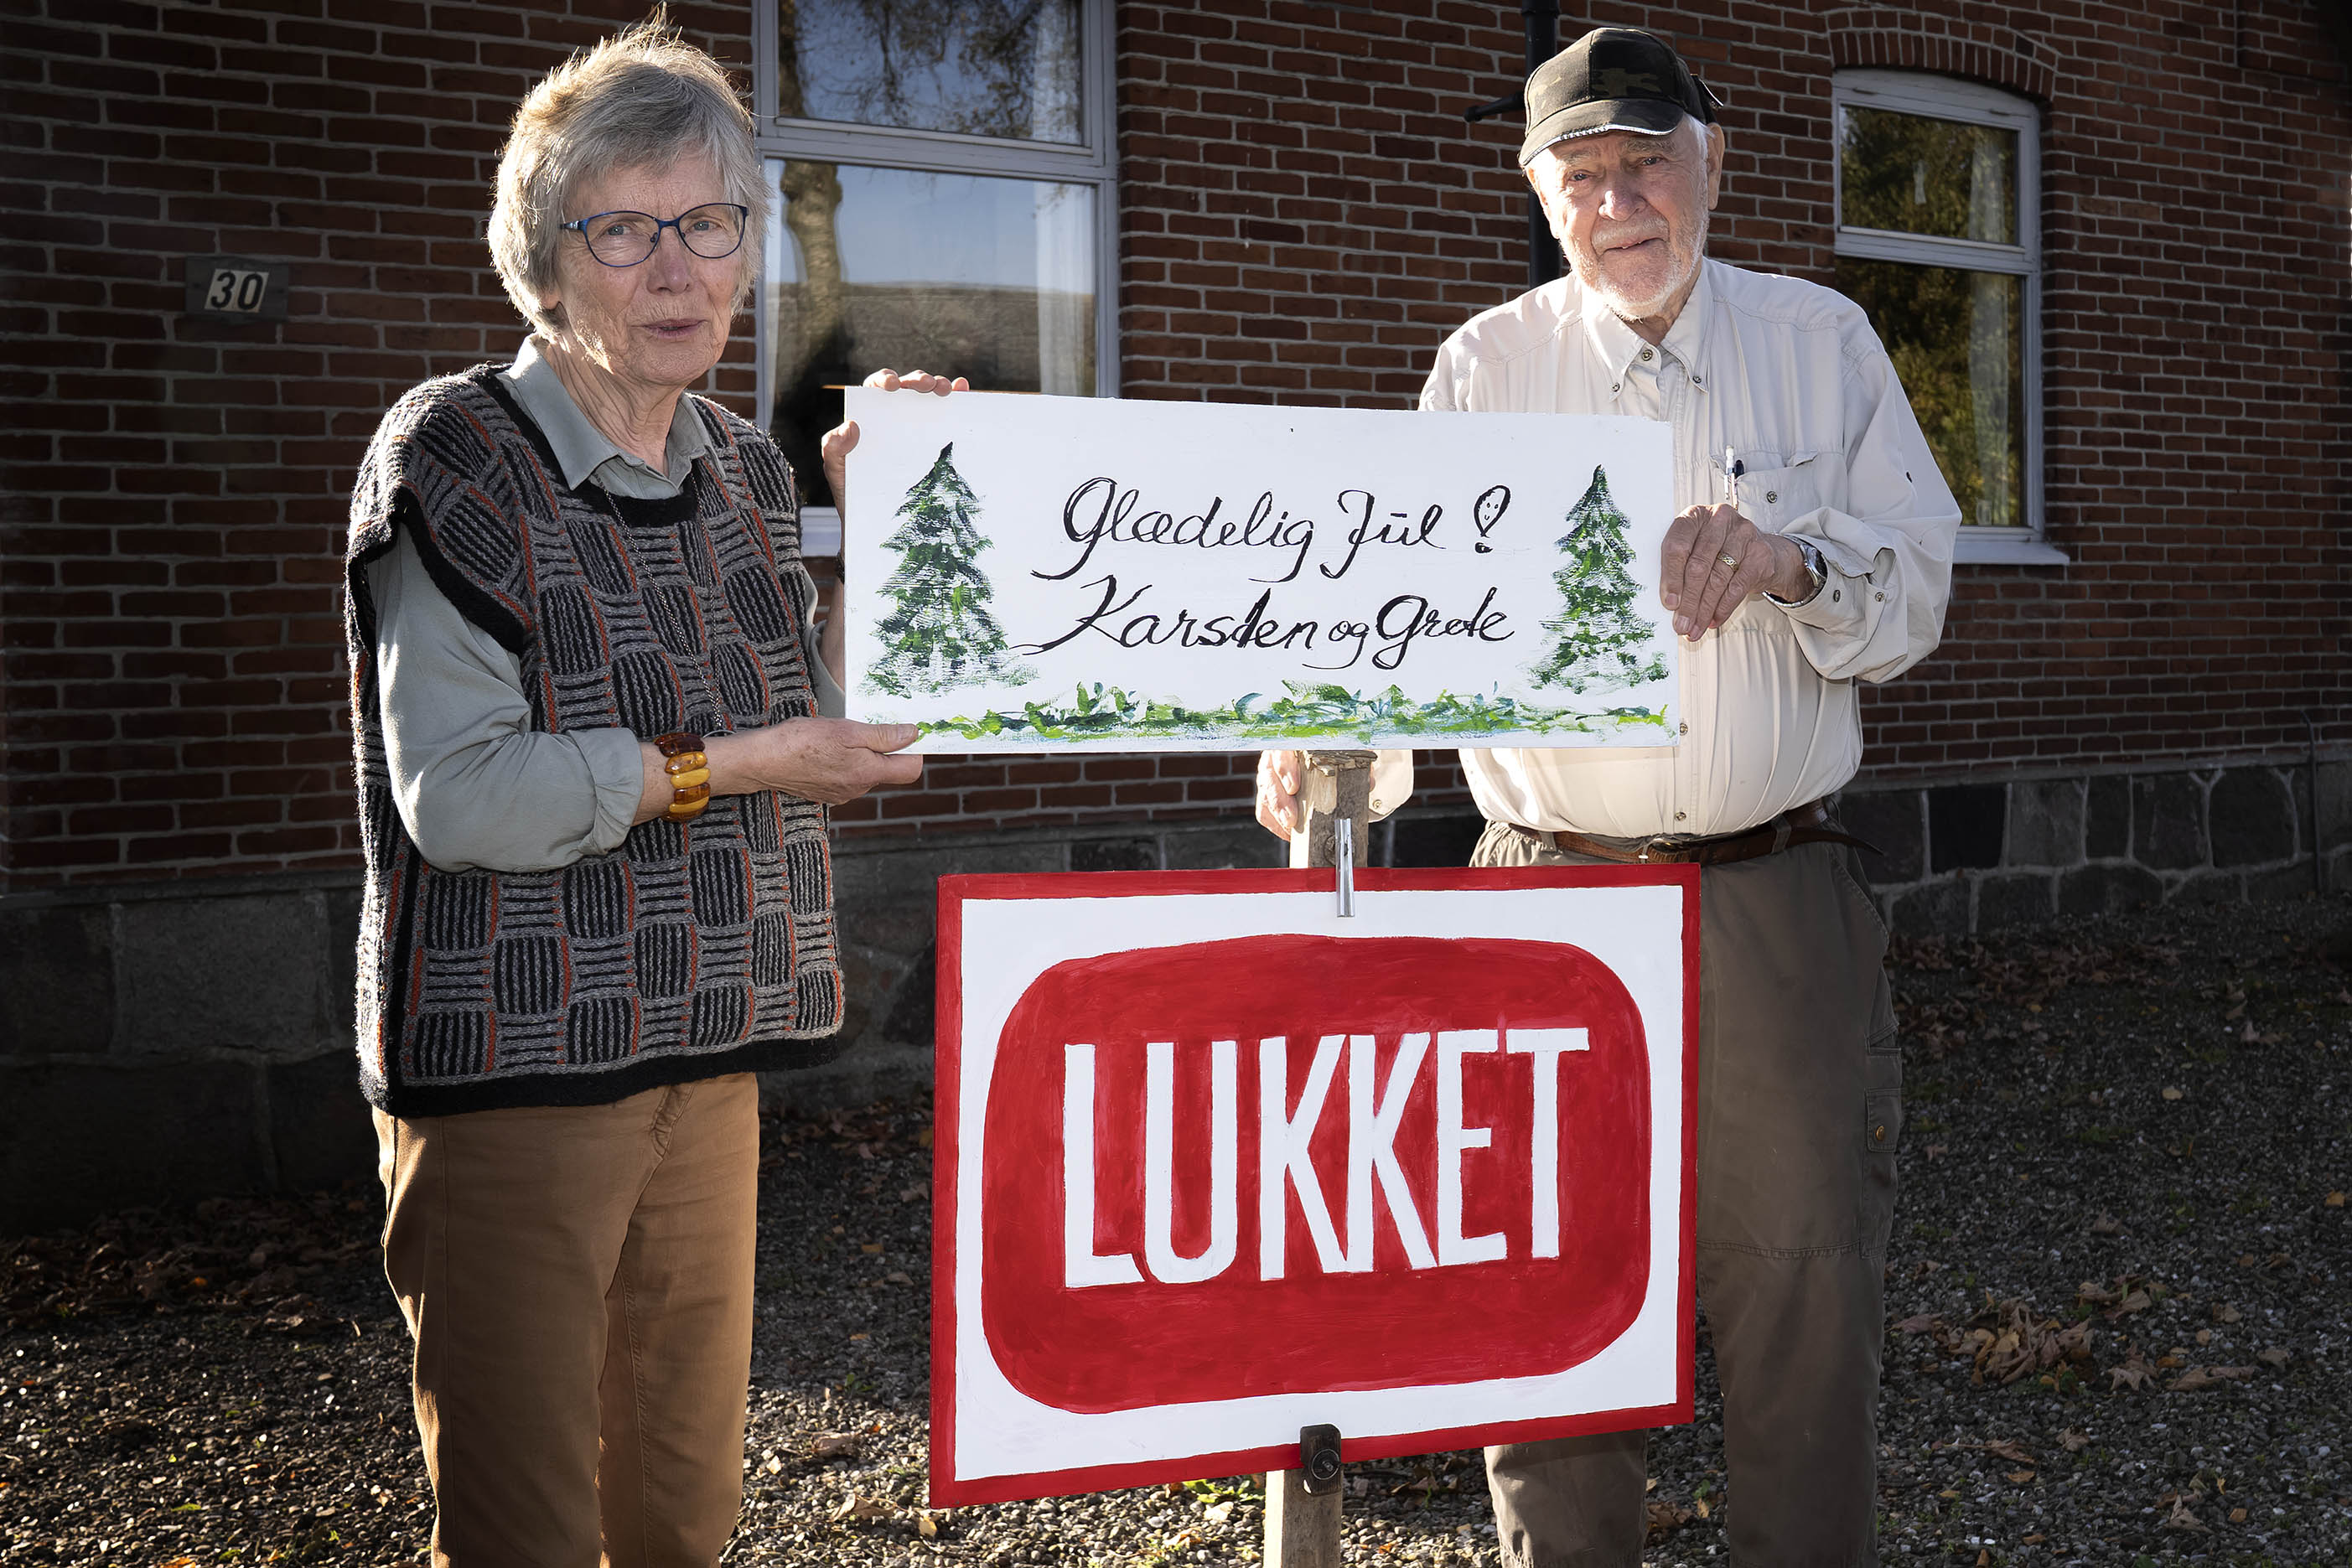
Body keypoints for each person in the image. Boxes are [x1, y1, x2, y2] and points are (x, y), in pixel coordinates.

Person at [1256, 27, 1959, 1565]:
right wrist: (1323, 733)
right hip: (1544, 893)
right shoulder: (1485, 366)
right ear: (1538, 193)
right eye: (1580, 176)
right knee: (1544, 1280)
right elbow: (1403, 611)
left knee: (1802, 1284)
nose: (1617, 202)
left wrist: (1790, 561)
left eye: (1647, 163)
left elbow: (1914, 591)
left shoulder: (1821, 340)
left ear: (1714, 164)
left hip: (1772, 897)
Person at [341, 16, 948, 1563]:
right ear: (544, 267)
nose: (677, 269)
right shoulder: (457, 453)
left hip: (708, 1048)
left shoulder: (744, 467)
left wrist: (889, 521)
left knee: (681, 1508)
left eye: (709, 223)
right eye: (622, 230)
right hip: (518, 1072)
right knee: (528, 1524)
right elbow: (458, 798)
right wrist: (729, 769)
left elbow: (831, 727)